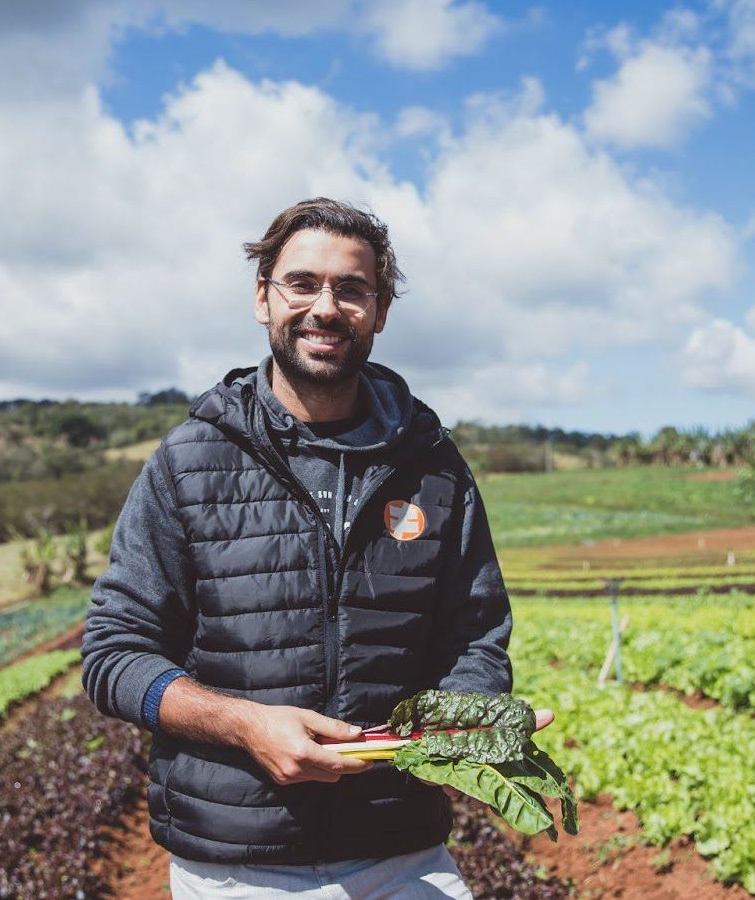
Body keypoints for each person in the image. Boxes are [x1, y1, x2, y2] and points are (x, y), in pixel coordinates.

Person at [81, 197, 513, 898]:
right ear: (263, 298)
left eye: (352, 289)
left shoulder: (434, 467)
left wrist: (463, 713)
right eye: (301, 283)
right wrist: (246, 725)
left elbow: (477, 636)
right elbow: (113, 652)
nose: (325, 307)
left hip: (399, 852)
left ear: (379, 311)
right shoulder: (189, 462)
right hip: (233, 866)